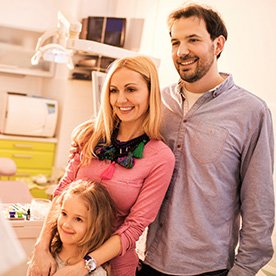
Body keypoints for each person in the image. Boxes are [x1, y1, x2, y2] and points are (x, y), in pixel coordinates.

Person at [137, 3, 275, 276]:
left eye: (193, 40)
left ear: (218, 44)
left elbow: (258, 202)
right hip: (145, 260)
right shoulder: (157, 101)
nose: (182, 51)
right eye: (175, 41)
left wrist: (244, 269)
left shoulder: (251, 112)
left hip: (206, 269)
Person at [27, 55, 175, 276]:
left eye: (131, 90)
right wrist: (42, 247)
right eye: (113, 90)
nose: (120, 99)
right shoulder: (89, 135)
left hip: (113, 267)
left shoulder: (161, 157)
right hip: (61, 256)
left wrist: (84, 266)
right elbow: (61, 193)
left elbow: (134, 226)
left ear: (150, 93)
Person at [48, 180, 115, 275]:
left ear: (96, 226)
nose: (66, 224)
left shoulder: (96, 273)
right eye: (64, 213)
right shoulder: (45, 256)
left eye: (78, 219)